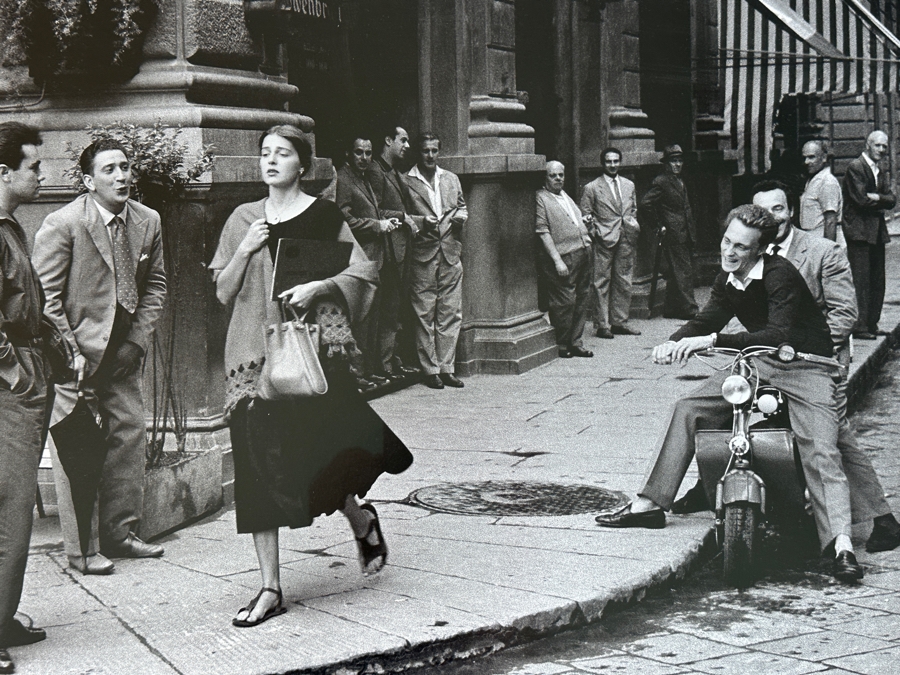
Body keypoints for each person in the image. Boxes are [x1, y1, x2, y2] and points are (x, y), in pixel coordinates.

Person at [595, 204, 865, 583]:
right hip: (759, 362)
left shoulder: (779, 275)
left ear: (760, 250)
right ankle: (650, 503)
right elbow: (707, 318)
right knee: (689, 407)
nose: (729, 251)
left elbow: (776, 333)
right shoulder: (728, 279)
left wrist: (711, 341)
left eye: (741, 247)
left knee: (822, 449)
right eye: (726, 241)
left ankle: (840, 545)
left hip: (807, 365)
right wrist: (673, 342)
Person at [210, 125, 413, 628]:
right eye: (265, 153)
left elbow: (363, 272)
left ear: (303, 165)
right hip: (256, 359)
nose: (271, 161)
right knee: (258, 466)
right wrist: (244, 250)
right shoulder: (243, 218)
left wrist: (319, 285)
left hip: (314, 352)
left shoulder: (324, 215)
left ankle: (357, 512)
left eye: (282, 154)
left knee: (327, 448)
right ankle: (270, 587)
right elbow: (221, 291)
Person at [34, 139, 167, 576]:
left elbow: (155, 287)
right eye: (109, 169)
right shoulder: (64, 223)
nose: (122, 176)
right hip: (73, 356)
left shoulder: (148, 221)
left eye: (126, 167)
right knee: (79, 454)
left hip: (122, 353)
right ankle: (84, 550)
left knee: (128, 435)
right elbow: (46, 299)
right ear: (89, 181)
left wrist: (136, 342)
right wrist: (68, 352)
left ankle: (121, 533)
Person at [752, 182, 900, 552]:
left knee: (833, 437)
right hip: (775, 360)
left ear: (791, 212)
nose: (771, 218)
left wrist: (799, 348)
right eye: (762, 212)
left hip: (820, 360)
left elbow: (845, 313)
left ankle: (881, 520)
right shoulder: (756, 253)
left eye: (778, 209)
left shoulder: (822, 251)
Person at [0, 121, 49, 675]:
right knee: (10, 510)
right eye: (34, 166)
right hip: (12, 384)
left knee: (14, 510)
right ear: (5, 172)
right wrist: (16, 373)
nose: (42, 174)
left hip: (27, 373)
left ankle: (4, 617)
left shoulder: (11, 226)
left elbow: (27, 300)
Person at [403, 132, 468, 390]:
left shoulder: (451, 178)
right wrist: (420, 222)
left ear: (439, 152)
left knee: (450, 312)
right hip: (422, 253)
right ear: (418, 153)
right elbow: (401, 215)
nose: (430, 155)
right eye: (425, 151)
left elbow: (462, 206)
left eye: (434, 151)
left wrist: (461, 217)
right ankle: (429, 370)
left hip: (450, 252)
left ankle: (447, 367)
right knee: (424, 313)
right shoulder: (406, 181)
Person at [336, 134, 398, 391]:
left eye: (368, 153)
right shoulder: (343, 179)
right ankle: (358, 374)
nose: (364, 158)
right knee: (361, 319)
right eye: (359, 152)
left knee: (373, 318)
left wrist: (392, 219)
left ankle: (368, 371)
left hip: (375, 257)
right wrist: (377, 226)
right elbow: (344, 220)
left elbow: (373, 210)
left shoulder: (364, 178)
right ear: (349, 154)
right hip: (360, 258)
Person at [367, 126, 420, 378]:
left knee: (396, 308)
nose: (407, 145)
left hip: (401, 249)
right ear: (388, 140)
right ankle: (384, 365)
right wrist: (403, 217)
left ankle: (394, 359)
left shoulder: (395, 172)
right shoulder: (376, 171)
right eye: (403, 140)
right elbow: (374, 211)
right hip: (387, 251)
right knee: (388, 308)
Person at [580, 147, 641, 339]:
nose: (613, 165)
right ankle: (602, 325)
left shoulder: (629, 185)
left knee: (624, 280)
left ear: (620, 162)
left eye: (616, 161)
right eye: (609, 161)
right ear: (603, 163)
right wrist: (595, 233)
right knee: (601, 282)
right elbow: (585, 214)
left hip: (626, 237)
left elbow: (633, 209)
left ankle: (619, 322)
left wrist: (632, 225)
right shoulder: (592, 187)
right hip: (604, 239)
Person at [535, 161, 594, 358]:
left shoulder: (565, 195)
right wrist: (557, 260)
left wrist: (585, 224)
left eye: (561, 175)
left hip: (583, 251)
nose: (558, 178)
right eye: (553, 175)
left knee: (582, 298)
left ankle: (576, 342)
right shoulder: (541, 198)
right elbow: (543, 231)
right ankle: (562, 343)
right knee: (564, 301)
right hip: (564, 256)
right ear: (545, 177)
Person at [841, 130, 896, 340]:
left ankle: (872, 324)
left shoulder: (877, 170)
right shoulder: (856, 167)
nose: (881, 150)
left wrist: (878, 197)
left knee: (877, 280)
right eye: (878, 145)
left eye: (884, 146)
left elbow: (892, 200)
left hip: (875, 232)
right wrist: (882, 199)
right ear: (867, 145)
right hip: (860, 232)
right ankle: (860, 326)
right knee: (861, 280)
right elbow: (861, 200)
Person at [639, 144, 698, 319]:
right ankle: (691, 309)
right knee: (683, 271)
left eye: (680, 161)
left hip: (685, 231)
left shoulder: (680, 179)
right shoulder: (661, 181)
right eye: (673, 161)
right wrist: (658, 225)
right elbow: (645, 204)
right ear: (666, 163)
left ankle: (671, 309)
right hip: (673, 233)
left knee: (675, 271)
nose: (678, 164)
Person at [800, 140, 842, 240]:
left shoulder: (827, 181)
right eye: (804, 158)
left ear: (823, 158)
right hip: (812, 239)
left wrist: (828, 251)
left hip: (822, 239)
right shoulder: (813, 179)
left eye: (811, 157)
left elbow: (830, 220)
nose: (806, 162)